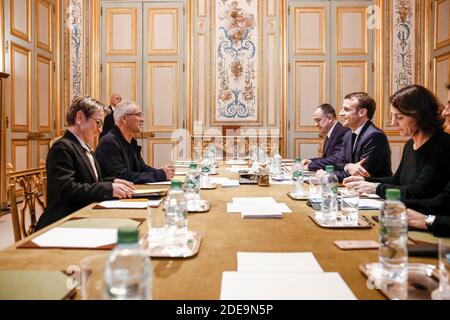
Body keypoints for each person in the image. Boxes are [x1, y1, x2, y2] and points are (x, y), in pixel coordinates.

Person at [36, 97, 134, 230]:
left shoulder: (83, 146)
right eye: (98, 123)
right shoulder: (62, 147)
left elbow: (92, 181)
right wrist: (108, 188)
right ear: (80, 117)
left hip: (83, 214)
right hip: (64, 221)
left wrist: (114, 181)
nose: (100, 130)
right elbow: (67, 189)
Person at [344, 85, 450, 201]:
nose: (394, 123)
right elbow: (397, 180)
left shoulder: (442, 144)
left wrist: (376, 187)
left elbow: (420, 191)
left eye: (399, 117)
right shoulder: (410, 144)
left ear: (419, 116)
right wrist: (365, 181)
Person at [95, 101, 175, 183]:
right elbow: (122, 177)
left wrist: (163, 172)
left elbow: (141, 168)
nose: (142, 120)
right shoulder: (109, 142)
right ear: (124, 119)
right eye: (138, 115)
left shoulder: (131, 141)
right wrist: (160, 174)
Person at [327, 92, 392, 182]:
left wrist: (328, 176)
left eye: (346, 109)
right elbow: (337, 164)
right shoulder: (348, 135)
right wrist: (348, 166)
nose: (340, 113)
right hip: (352, 191)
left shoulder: (375, 136)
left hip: (373, 192)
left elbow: (361, 173)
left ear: (362, 112)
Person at [300, 104, 350, 171]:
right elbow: (326, 158)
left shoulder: (342, 132)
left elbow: (336, 159)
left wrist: (310, 166)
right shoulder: (331, 132)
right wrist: (311, 161)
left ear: (330, 118)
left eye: (318, 120)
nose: (316, 124)